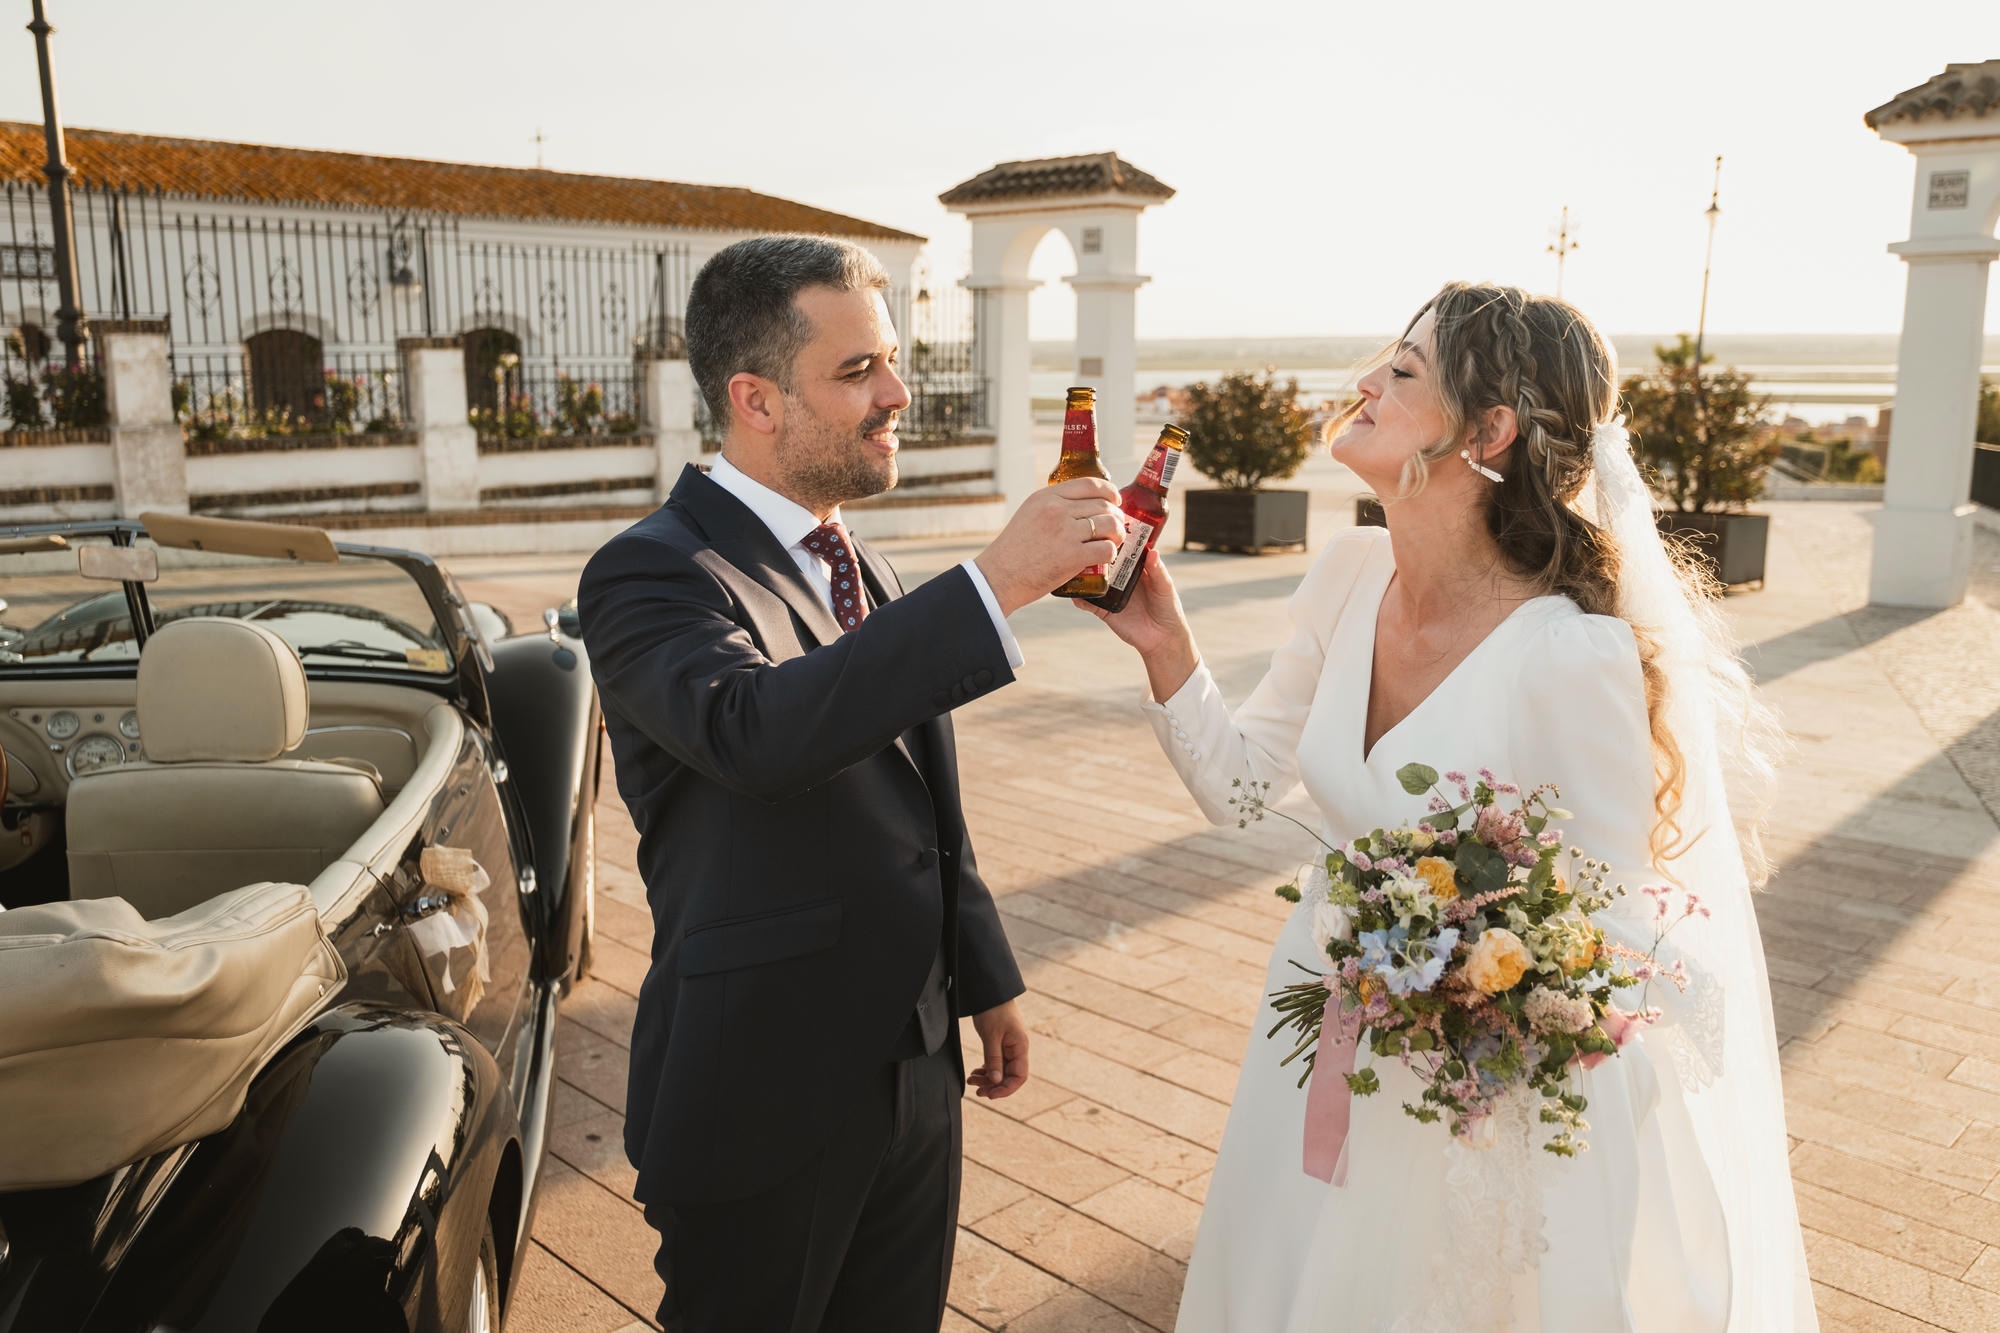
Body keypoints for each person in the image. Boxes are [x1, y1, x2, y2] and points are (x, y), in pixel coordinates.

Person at [1079, 282, 1815, 1330]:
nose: (1366, 383)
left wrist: (1472, 986)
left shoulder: (1570, 652)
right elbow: (1238, 786)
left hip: (1472, 1100)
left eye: (1404, 370)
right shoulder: (1343, 576)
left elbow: (1611, 933)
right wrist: (1163, 644)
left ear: (1489, 432)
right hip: (1314, 1030)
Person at [578, 234, 1126, 1331]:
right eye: (855, 371)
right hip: (763, 1087)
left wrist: (982, 972)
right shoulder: (651, 570)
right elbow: (754, 732)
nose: (896, 393)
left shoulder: (853, 557)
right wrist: (993, 582)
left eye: (888, 360)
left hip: (915, 1069)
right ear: (754, 398)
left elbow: (921, 793)